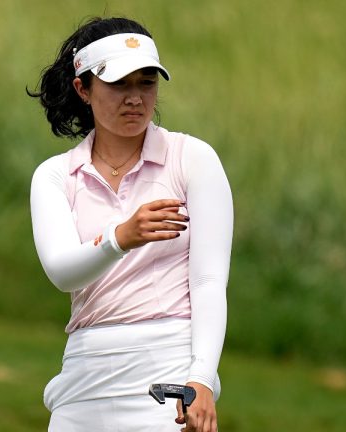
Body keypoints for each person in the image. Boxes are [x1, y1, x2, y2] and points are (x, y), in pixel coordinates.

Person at [27, 16, 233, 432]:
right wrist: (121, 237)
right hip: (84, 380)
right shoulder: (55, 176)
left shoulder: (192, 159)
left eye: (147, 83)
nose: (135, 98)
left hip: (168, 372)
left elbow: (209, 281)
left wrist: (201, 378)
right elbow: (62, 272)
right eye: (119, 84)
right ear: (83, 89)